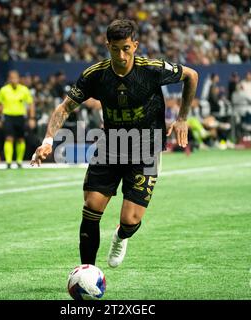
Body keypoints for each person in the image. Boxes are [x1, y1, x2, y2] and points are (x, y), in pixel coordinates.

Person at [31, 19, 198, 268]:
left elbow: (191, 75)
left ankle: (121, 236)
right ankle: (87, 271)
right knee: (92, 206)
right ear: (107, 45)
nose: (121, 55)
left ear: (135, 45)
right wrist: (47, 141)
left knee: (130, 220)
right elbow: (65, 107)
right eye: (115, 48)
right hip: (111, 145)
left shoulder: (151, 69)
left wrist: (182, 117)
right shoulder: (95, 75)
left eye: (127, 48)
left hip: (147, 148)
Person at [0, 70, 35, 168]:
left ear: (18, 79)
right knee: (9, 138)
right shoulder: (3, 90)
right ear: (8, 79)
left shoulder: (24, 90)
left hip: (20, 116)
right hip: (8, 116)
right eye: (12, 78)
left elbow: (31, 104)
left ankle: (19, 161)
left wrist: (31, 118)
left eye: (15, 77)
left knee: (21, 139)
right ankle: (8, 162)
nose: (14, 80)